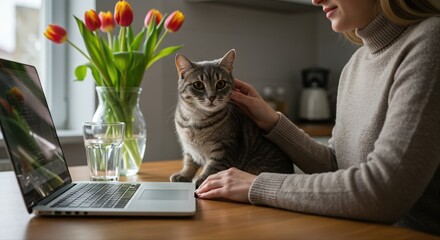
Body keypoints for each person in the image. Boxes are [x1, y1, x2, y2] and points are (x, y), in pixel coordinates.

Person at [195, 0, 440, 235]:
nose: (315, 0)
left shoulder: (430, 41)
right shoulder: (355, 64)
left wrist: (257, 185)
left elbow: (385, 193)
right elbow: (338, 167)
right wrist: (272, 122)